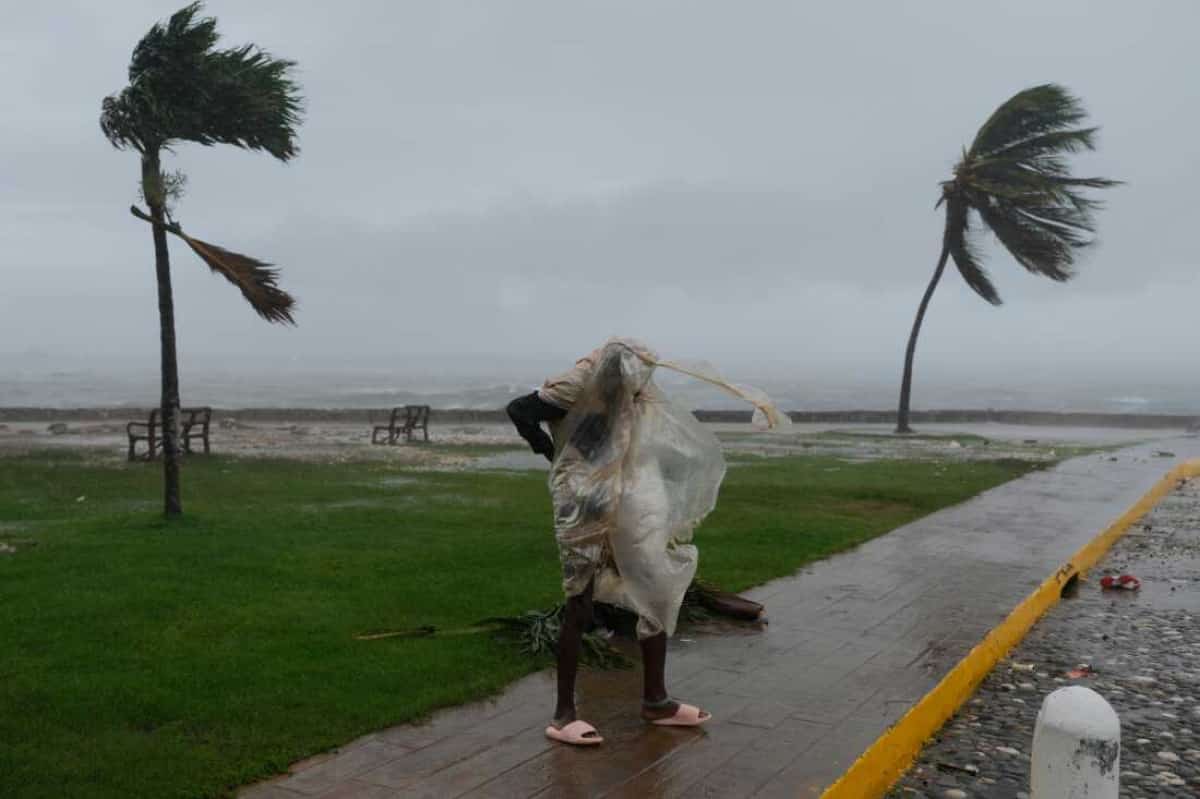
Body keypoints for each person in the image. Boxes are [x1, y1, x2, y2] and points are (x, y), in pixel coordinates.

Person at [507, 340, 712, 747]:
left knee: (654, 588)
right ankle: (563, 714)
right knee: (580, 598)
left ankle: (656, 700)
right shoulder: (576, 383)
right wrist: (554, 453)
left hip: (626, 492)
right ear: (615, 370)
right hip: (582, 498)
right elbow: (520, 410)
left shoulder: (637, 387)